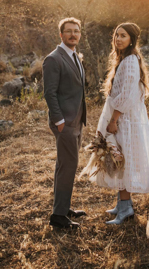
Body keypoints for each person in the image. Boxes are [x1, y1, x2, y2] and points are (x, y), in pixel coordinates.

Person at [83, 22, 149, 225]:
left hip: (125, 120)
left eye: (123, 36)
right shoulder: (125, 59)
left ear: (131, 40)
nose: (118, 39)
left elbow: (127, 95)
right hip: (123, 117)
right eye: (116, 35)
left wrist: (114, 120)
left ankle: (126, 208)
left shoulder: (129, 62)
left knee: (123, 160)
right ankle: (121, 203)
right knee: (118, 159)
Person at [43, 17, 87, 229]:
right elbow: (49, 93)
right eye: (68, 31)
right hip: (65, 122)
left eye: (76, 31)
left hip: (77, 120)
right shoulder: (54, 59)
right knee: (68, 166)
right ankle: (59, 218)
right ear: (61, 35)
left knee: (64, 166)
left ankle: (62, 207)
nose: (73, 34)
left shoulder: (75, 56)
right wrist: (59, 121)